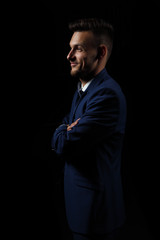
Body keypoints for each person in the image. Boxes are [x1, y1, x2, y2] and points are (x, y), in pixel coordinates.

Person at [51, 18, 127, 240]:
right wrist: (66, 127)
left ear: (100, 52)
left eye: (79, 49)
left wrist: (63, 131)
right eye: (70, 48)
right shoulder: (84, 87)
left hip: (96, 216)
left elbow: (65, 145)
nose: (69, 56)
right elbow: (67, 123)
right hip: (82, 209)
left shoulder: (107, 96)